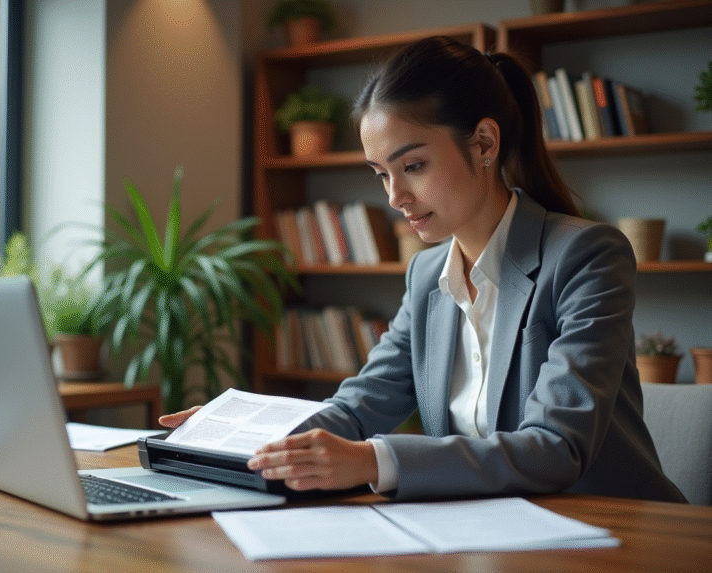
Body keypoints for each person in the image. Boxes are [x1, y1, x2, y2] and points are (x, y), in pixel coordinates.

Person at [160, 36, 685, 503]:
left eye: (412, 166)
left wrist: (374, 461)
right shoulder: (427, 274)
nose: (395, 197)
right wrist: (243, 436)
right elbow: (361, 404)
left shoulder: (587, 255)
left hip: (615, 531)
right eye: (381, 173)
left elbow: (555, 447)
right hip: (490, 532)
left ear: (483, 143)